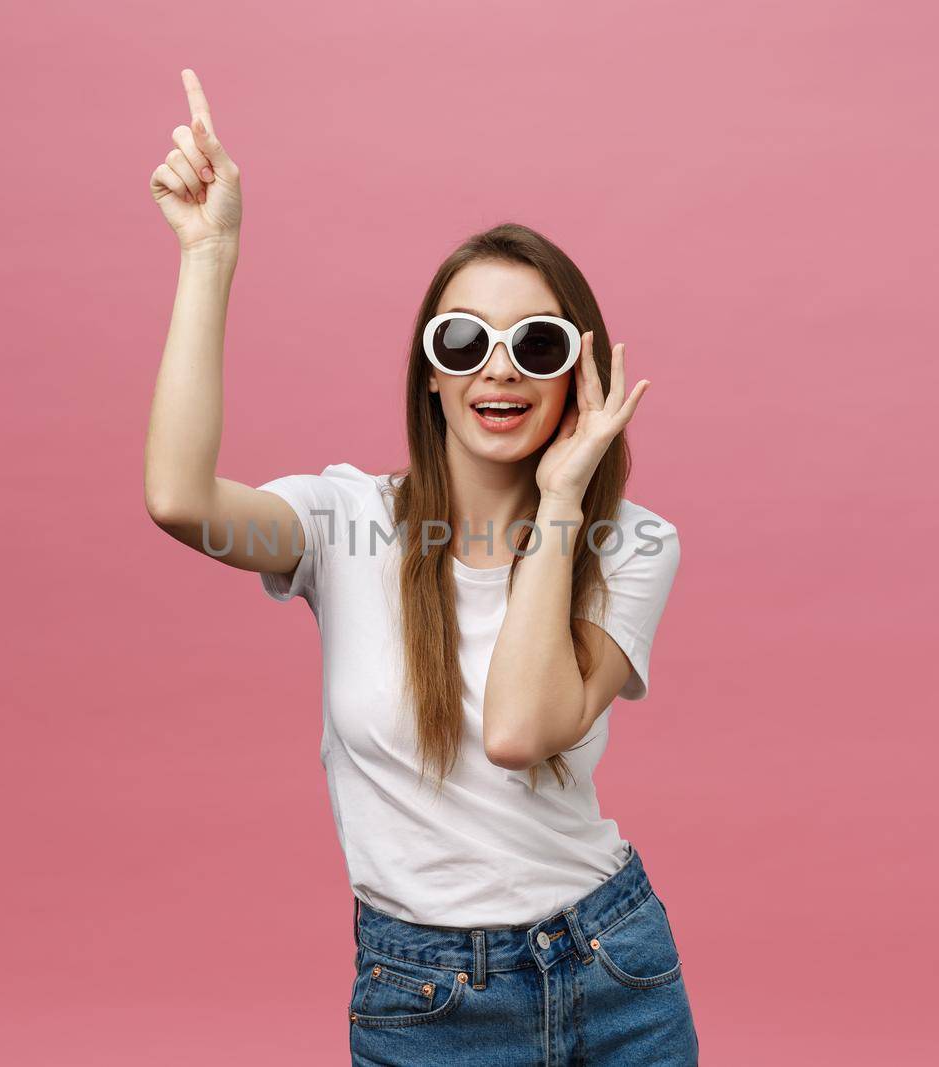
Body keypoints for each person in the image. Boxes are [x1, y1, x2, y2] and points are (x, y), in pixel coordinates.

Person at [143, 68, 700, 1065]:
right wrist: (208, 254)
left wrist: (565, 501)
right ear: (430, 369)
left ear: (579, 370)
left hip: (615, 968)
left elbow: (523, 729)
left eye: (534, 344)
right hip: (424, 993)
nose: (498, 369)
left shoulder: (631, 539)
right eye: (465, 340)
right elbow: (180, 499)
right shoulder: (343, 521)